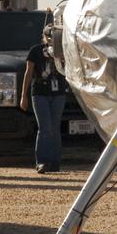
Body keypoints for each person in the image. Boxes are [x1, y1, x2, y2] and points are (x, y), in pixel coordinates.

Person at [20, 26, 67, 173]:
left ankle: (55, 162)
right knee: (44, 127)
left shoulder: (63, 51)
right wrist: (23, 96)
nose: (51, 40)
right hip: (40, 92)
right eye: (49, 37)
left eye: (55, 37)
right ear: (44, 37)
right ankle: (42, 161)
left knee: (55, 127)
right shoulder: (35, 51)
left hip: (58, 92)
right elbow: (28, 73)